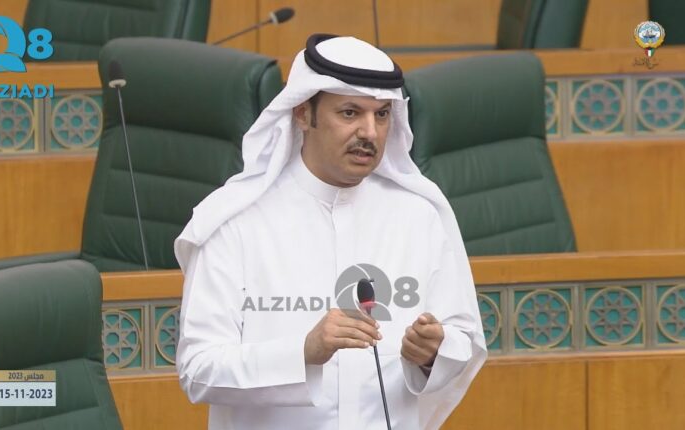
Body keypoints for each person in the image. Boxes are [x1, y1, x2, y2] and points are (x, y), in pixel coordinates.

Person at [175, 34, 486, 430]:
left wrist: (432, 354)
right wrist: (304, 352)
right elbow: (198, 370)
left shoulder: (420, 216)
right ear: (303, 114)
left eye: (382, 115)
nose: (370, 132)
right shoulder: (236, 221)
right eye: (350, 113)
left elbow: (464, 341)